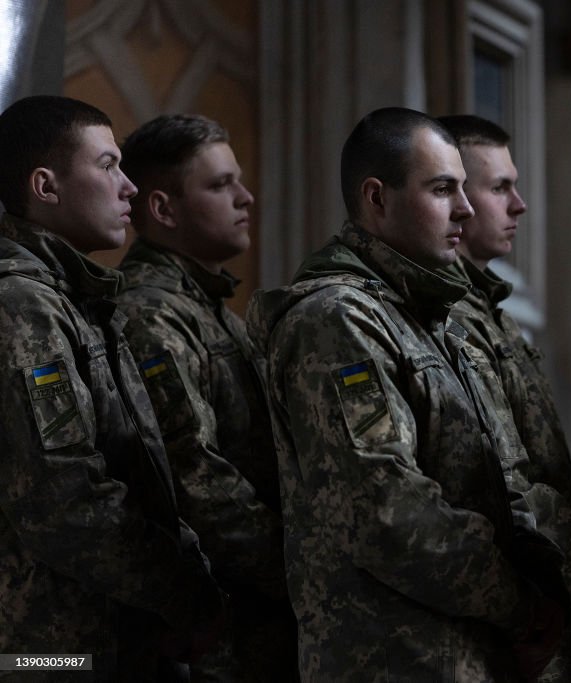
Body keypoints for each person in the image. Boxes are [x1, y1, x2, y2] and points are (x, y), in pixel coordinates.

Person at [246, 107, 569, 681]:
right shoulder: (337, 319)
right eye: (443, 190)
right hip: (395, 656)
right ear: (377, 198)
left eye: (465, 190)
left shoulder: (422, 312)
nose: (465, 210)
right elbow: (387, 510)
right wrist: (518, 603)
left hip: (464, 648)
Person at [0, 95, 224, 680]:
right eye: (106, 166)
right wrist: (182, 589)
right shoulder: (23, 307)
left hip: (102, 637)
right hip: (49, 652)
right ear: (46, 186)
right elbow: (64, 498)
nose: (128, 188)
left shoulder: (75, 300)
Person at [438, 114, 571, 681]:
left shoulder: (493, 315)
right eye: (499, 187)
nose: (520, 204)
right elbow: (502, 485)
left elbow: (553, 469)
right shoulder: (435, 318)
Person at [116, 114, 298, 682]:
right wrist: (298, 570)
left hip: (250, 613)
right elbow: (194, 476)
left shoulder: (213, 307)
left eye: (237, 180)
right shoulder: (151, 311)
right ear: (164, 209)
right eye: (220, 185)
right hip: (214, 624)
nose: (246, 198)